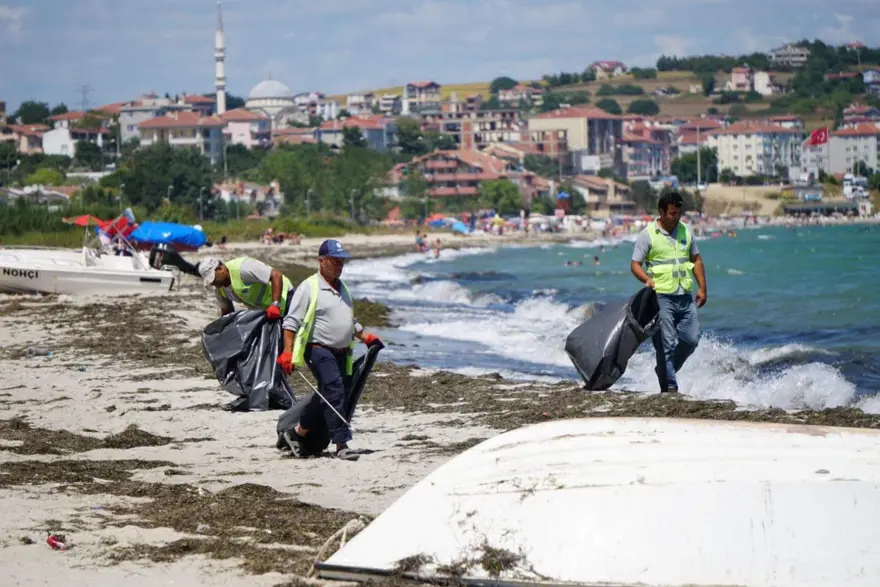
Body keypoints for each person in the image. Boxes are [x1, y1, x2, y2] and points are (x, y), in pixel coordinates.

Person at [276, 239, 381, 460]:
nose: (339, 266)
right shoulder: (309, 287)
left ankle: (296, 433)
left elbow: (346, 319)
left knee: (328, 393)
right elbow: (291, 323)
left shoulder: (343, 288)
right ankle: (341, 444)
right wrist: (287, 351)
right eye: (334, 261)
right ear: (321, 261)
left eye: (341, 262)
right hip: (318, 349)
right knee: (334, 389)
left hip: (341, 352)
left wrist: (364, 336)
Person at [630, 192, 707, 394]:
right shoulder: (648, 234)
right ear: (661, 212)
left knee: (691, 340)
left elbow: (697, 260)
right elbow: (635, 264)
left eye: (679, 213)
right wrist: (646, 279)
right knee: (667, 343)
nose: (676, 217)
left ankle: (664, 370)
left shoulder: (686, 231)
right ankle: (670, 386)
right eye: (672, 213)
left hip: (685, 296)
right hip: (661, 296)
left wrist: (702, 288)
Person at [199, 256, 294, 321]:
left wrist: (275, 304)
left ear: (220, 269)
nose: (212, 283)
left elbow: (276, 275)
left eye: (213, 278)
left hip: (284, 297)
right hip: (266, 311)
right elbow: (227, 313)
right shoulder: (219, 290)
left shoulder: (243, 268)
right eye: (210, 281)